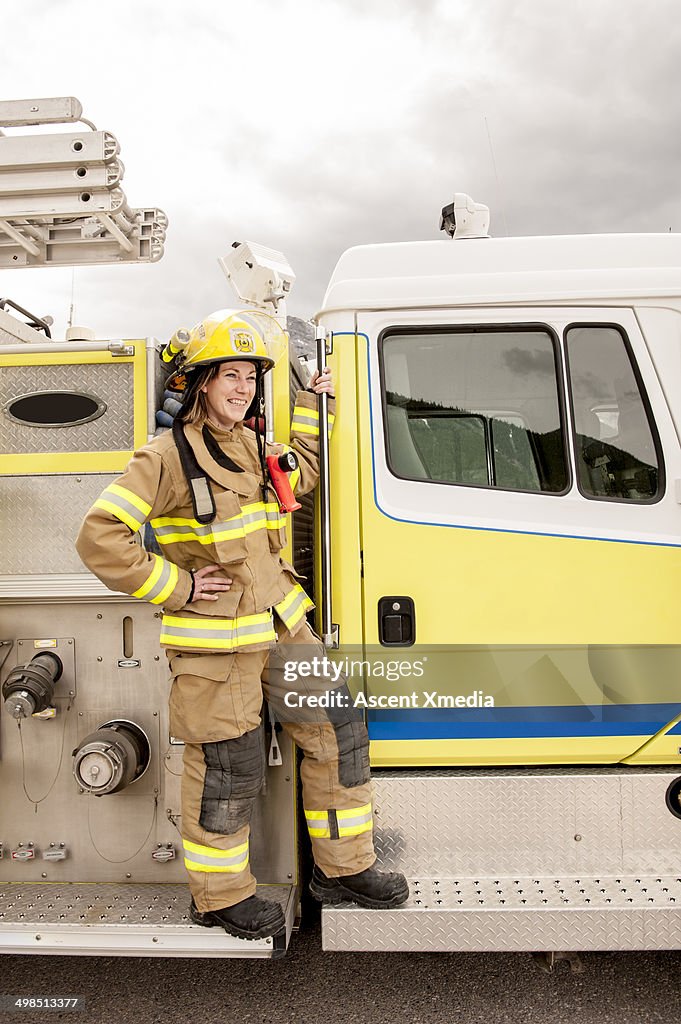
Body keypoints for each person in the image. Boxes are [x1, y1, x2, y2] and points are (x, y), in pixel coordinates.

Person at [76, 310, 408, 941]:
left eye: (251, 378)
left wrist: (314, 404)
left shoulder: (255, 446)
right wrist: (176, 585)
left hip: (280, 627)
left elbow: (302, 474)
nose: (243, 388)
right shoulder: (165, 456)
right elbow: (99, 537)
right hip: (216, 647)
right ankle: (220, 897)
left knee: (339, 730)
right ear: (201, 382)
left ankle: (341, 870)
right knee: (230, 767)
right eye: (230, 375)